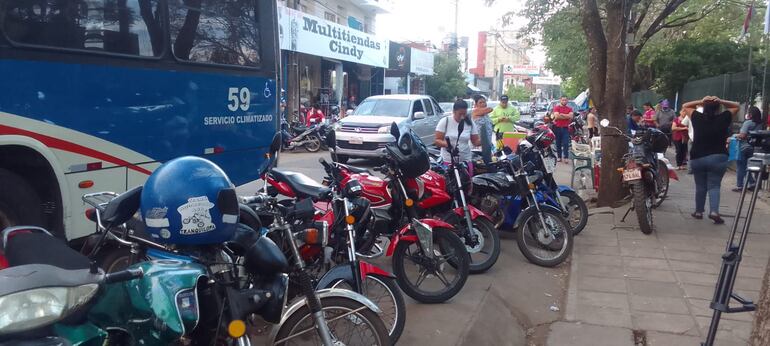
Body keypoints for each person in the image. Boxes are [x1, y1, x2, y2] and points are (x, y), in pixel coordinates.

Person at [682, 96, 739, 224]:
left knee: (700, 185)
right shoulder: (724, 117)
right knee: (714, 185)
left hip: (698, 156)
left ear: (704, 107)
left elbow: (686, 105)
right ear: (718, 107)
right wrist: (721, 100)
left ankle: (698, 211)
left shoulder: (696, 117)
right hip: (718, 156)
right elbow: (736, 106)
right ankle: (714, 211)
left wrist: (701, 101)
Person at [435, 99, 481, 165]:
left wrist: (484, 141)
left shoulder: (470, 123)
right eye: (460, 114)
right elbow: (437, 140)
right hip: (448, 160)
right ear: (454, 111)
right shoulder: (445, 121)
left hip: (465, 160)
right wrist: (447, 145)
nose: (462, 117)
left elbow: (475, 141)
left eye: (464, 114)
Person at [733, 106, 764, 192]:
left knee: (740, 167)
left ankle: (740, 186)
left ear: (750, 114)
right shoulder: (760, 124)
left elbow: (743, 135)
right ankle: (753, 183)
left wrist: (734, 135)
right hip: (753, 148)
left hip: (743, 147)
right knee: (749, 166)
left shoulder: (748, 123)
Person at [471, 95, 495, 163]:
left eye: (484, 102)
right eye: (480, 102)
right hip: (478, 144)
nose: (483, 104)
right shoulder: (475, 111)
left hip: (487, 143)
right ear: (475, 104)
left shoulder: (486, 115)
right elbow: (490, 109)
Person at [552, 96, 573, 162]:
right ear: (560, 100)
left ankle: (566, 157)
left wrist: (561, 115)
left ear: (567, 101)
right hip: (557, 128)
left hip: (565, 128)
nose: (564, 101)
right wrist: (566, 116)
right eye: (563, 100)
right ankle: (559, 157)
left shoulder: (570, 108)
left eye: (565, 100)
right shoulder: (556, 107)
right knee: (558, 143)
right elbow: (557, 116)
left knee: (566, 143)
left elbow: (571, 116)